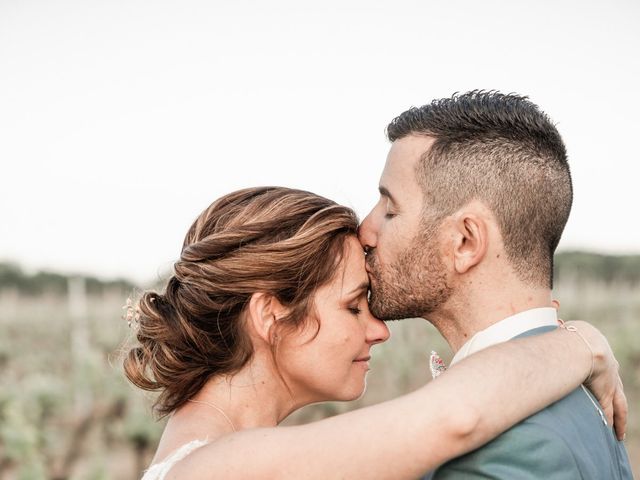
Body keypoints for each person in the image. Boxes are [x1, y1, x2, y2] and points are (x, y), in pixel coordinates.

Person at [124, 186, 626, 480]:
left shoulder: (230, 452)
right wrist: (579, 342)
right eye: (353, 306)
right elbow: (457, 416)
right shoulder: (217, 469)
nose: (379, 330)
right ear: (270, 316)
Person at [359, 90, 633, 479]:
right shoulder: (587, 390)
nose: (365, 232)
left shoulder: (505, 449)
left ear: (466, 241)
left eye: (390, 210)